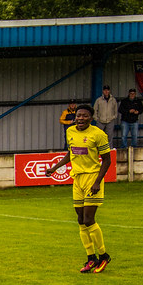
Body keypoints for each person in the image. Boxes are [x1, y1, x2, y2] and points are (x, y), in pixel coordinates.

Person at [44, 103, 113, 273]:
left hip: (92, 178)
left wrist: (97, 182)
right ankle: (91, 258)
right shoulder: (70, 131)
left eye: (85, 116)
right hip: (77, 178)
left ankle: (104, 255)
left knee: (89, 219)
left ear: (91, 118)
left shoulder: (99, 134)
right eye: (78, 116)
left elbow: (107, 160)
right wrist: (55, 167)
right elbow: (71, 153)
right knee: (81, 220)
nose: (81, 119)